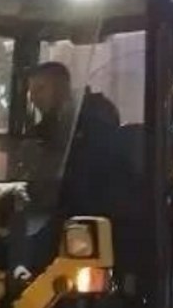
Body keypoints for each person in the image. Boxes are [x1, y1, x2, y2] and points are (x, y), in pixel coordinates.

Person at [26, 61, 124, 220]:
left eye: (40, 89)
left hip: (91, 210)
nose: (34, 98)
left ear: (61, 88)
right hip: (53, 209)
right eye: (31, 93)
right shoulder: (44, 129)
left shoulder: (97, 115)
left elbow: (90, 172)